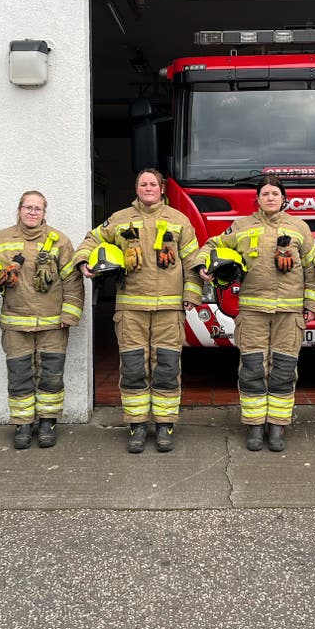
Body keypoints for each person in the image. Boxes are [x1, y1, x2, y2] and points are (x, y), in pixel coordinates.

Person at [72, 169, 201, 454]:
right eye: (143, 184)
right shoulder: (119, 219)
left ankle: (165, 425)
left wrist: (192, 294)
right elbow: (90, 240)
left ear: (162, 188)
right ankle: (137, 425)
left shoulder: (179, 220)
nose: (148, 187)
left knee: (166, 368)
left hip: (169, 310)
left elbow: (194, 260)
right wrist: (84, 262)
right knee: (133, 369)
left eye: (153, 183)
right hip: (130, 309)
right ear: (137, 188)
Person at [197, 176, 315, 452]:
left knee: (284, 370)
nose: (270, 198)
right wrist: (204, 265)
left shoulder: (299, 228)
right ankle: (254, 427)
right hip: (252, 311)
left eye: (275, 193)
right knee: (253, 369)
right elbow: (210, 246)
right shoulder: (241, 227)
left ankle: (277, 427)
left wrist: (311, 304)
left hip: (289, 312)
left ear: (283, 198)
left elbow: (312, 269)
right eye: (265, 193)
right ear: (258, 199)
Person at [0, 191, 83, 450]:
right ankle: (23, 425)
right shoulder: (0, 239)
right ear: (19, 210)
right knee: (19, 376)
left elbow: (72, 280)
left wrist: (70, 314)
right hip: (15, 323)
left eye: (38, 208)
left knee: (51, 376)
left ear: (44, 213)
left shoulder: (60, 242)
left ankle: (47, 423)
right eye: (28, 207)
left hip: (53, 324)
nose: (32, 212)